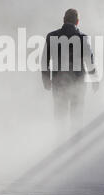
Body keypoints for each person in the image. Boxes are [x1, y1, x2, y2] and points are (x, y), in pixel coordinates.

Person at [42, 8, 99, 136]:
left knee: (60, 115)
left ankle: (59, 142)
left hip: (58, 82)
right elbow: (89, 61)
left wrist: (46, 80)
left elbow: (44, 60)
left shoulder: (52, 36)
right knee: (77, 116)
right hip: (78, 82)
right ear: (77, 22)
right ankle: (76, 143)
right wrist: (95, 79)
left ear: (63, 20)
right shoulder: (83, 38)